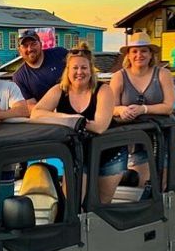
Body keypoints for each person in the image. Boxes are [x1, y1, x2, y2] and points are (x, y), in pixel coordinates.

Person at [31, 43, 115, 202]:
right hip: (78, 153)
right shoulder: (59, 90)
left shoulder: (103, 90)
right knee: (73, 202)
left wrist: (65, 120)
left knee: (100, 206)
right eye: (75, 68)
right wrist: (68, 119)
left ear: (91, 70)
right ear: (67, 71)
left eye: (84, 68)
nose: (79, 72)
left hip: (108, 153)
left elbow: (99, 126)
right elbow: (36, 113)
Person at [110, 31, 175, 187]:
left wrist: (143, 109)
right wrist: (121, 111)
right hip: (133, 139)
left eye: (144, 50)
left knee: (162, 183)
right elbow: (110, 107)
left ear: (151, 54)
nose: (139, 55)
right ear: (129, 55)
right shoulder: (119, 76)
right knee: (139, 182)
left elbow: (169, 106)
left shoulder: (163, 74)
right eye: (135, 51)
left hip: (162, 136)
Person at [12, 29, 68, 113]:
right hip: (51, 117)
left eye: (33, 44)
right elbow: (32, 105)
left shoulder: (60, 53)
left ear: (41, 44)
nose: (30, 49)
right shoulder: (19, 77)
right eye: (25, 46)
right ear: (19, 51)